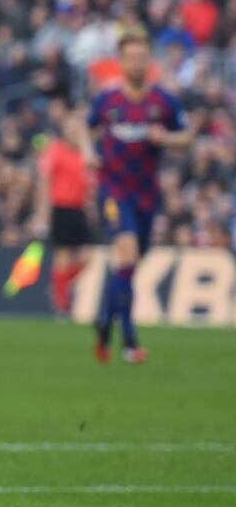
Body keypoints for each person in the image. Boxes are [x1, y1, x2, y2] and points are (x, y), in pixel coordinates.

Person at [79, 29, 193, 363]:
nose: (136, 63)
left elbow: (186, 135)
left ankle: (104, 322)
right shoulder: (108, 99)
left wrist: (168, 139)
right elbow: (85, 127)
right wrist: (87, 151)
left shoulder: (162, 101)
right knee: (126, 255)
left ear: (149, 61)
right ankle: (129, 342)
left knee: (128, 267)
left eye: (142, 57)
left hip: (146, 195)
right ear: (121, 61)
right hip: (113, 190)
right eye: (130, 57)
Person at [32, 106, 91, 318]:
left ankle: (59, 286)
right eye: (71, 125)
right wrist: (42, 213)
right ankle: (61, 304)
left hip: (79, 207)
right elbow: (44, 180)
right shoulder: (56, 149)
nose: (74, 130)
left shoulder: (85, 152)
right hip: (61, 207)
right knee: (63, 255)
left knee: (87, 256)